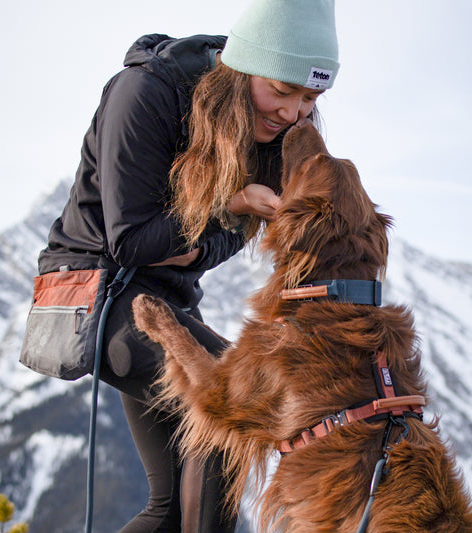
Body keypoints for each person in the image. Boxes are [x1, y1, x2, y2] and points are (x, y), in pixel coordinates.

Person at [37, 0, 339, 531]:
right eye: (282, 90)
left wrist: (198, 243)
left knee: (169, 508)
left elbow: (225, 241)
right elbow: (131, 241)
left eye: (310, 98)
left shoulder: (276, 130)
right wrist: (232, 205)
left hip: (166, 303)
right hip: (94, 291)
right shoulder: (147, 93)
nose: (292, 113)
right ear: (241, 67)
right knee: (234, 402)